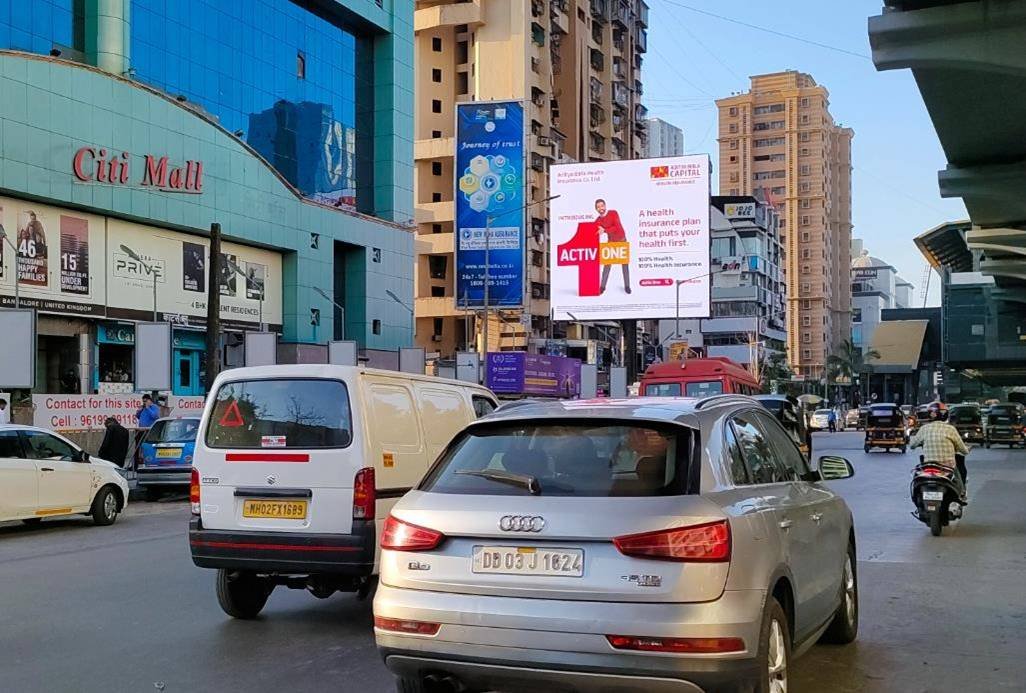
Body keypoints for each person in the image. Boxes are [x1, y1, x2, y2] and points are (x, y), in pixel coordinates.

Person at [909, 405, 970, 499]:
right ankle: (962, 494)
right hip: (948, 467)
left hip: (928, 466)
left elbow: (912, 445)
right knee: (959, 482)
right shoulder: (950, 429)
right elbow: (963, 450)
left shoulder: (924, 429)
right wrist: (966, 449)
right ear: (945, 416)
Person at [593, 199, 631, 295]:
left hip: (622, 240)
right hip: (611, 242)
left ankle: (627, 286)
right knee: (607, 266)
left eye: (602, 206)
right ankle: (602, 287)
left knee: (625, 265)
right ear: (596, 209)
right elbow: (593, 230)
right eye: (598, 207)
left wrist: (604, 230)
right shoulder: (598, 220)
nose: (600, 208)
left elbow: (616, 227)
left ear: (605, 206)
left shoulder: (613, 213)